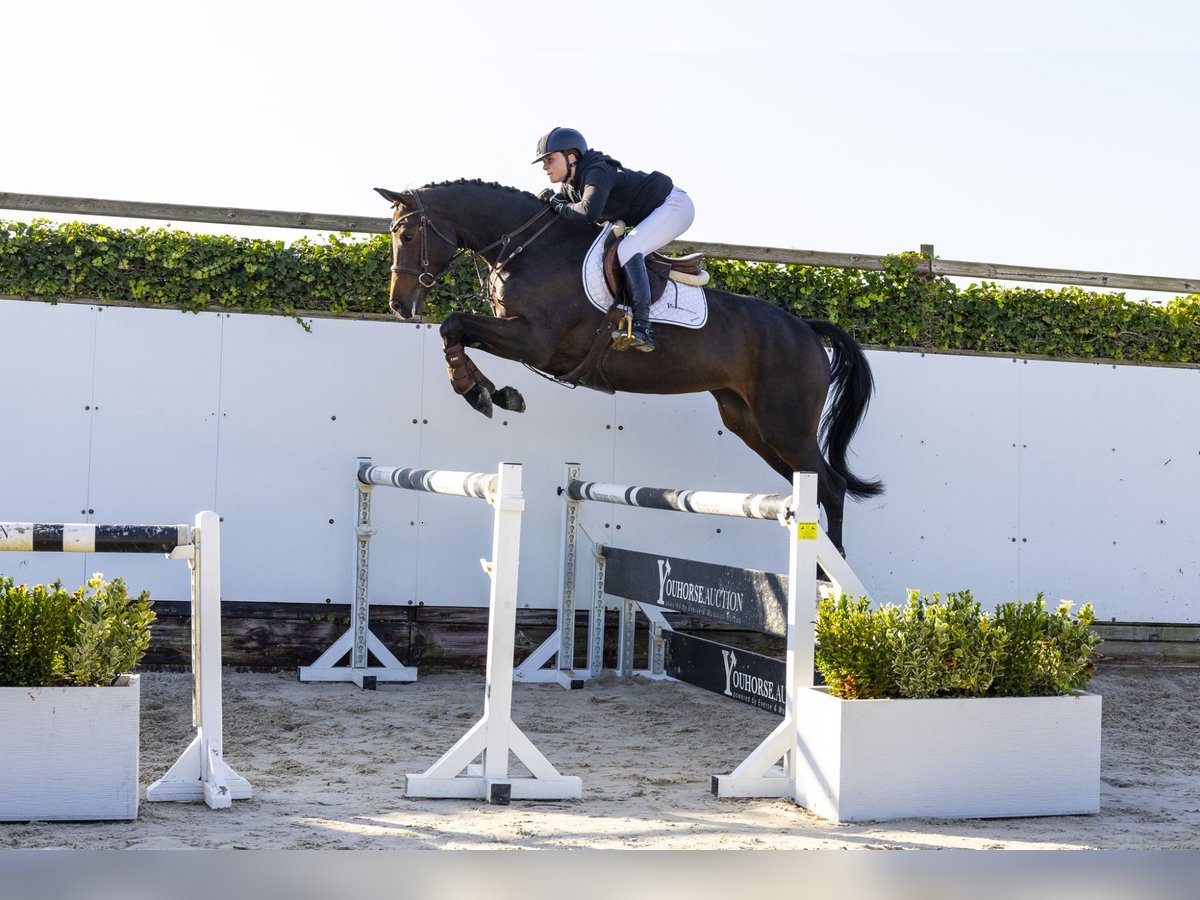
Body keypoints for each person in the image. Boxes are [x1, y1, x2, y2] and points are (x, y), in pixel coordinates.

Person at [532, 126, 695, 352]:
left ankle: (642, 327)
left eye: (549, 159)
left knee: (629, 247)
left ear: (571, 157)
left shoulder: (597, 170)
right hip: (657, 211)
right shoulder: (571, 186)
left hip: (674, 205)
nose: (545, 167)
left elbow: (587, 212)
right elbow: (566, 212)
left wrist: (556, 203)